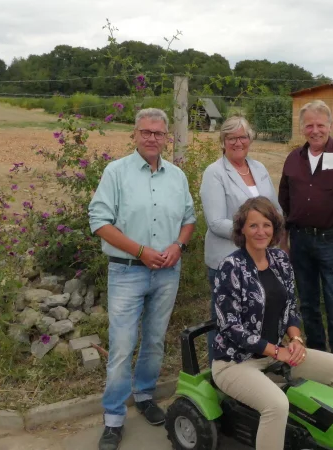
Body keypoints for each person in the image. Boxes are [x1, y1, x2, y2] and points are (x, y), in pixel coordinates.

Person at [88, 108, 196, 450]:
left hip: (167, 272)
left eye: (158, 133)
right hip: (127, 272)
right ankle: (114, 418)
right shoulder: (116, 172)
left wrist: (179, 245)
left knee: (154, 340)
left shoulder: (177, 176)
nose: (152, 138)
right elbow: (99, 221)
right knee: (121, 347)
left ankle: (145, 395)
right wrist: (140, 252)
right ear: (134, 134)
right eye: (146, 132)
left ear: (167, 137)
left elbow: (189, 219)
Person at [212, 197, 333, 450]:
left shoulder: (279, 259)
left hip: (278, 353)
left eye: (267, 225)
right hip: (235, 362)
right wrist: (279, 352)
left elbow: (290, 306)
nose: (261, 232)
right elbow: (230, 327)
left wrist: (296, 339)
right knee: (276, 405)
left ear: (275, 229)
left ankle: (331, 442)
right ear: (242, 229)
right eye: (253, 225)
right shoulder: (230, 267)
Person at [278, 100, 333, 358]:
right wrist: (284, 242)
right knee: (307, 304)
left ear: (330, 125)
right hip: (300, 241)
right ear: (302, 129)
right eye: (309, 125)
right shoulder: (293, 159)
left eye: (320, 124)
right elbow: (284, 203)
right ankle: (317, 358)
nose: (315, 130)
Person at [199, 116, 281, 363]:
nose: (238, 142)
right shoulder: (214, 173)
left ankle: (250, 377)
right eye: (231, 137)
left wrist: (275, 229)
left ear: (250, 140)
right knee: (225, 324)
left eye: (243, 136)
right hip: (227, 262)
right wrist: (253, 234)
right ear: (222, 141)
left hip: (259, 261)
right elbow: (215, 222)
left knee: (255, 321)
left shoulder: (259, 169)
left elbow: (274, 209)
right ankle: (220, 374)